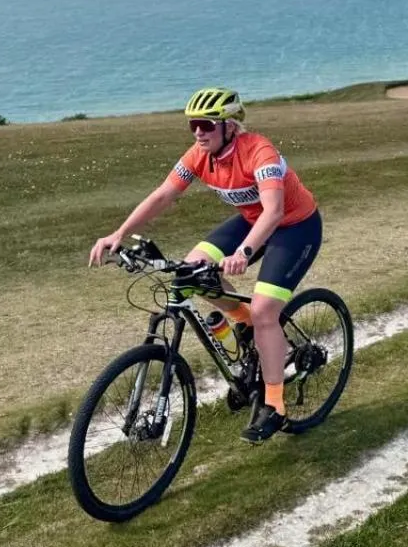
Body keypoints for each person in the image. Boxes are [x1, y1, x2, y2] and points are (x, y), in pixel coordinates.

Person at [89, 87, 322, 443]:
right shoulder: (200, 155)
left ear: (229, 126)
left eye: (206, 125)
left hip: (295, 227)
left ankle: (274, 405)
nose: (198, 132)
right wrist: (118, 233)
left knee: (263, 311)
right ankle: (245, 329)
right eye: (192, 125)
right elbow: (163, 195)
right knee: (191, 270)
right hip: (250, 219)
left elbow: (274, 211)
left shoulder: (260, 152)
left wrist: (243, 254)